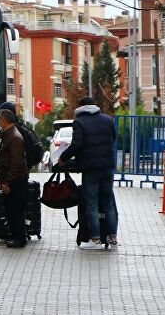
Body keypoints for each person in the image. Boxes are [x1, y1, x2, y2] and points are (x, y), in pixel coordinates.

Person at [57, 96, 119, 250]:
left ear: (80, 108)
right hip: (107, 167)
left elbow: (76, 145)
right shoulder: (108, 120)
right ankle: (112, 236)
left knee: (91, 203)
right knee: (108, 202)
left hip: (90, 169)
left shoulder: (79, 122)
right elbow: (113, 139)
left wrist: (63, 157)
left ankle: (96, 238)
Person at [0, 108, 29, 248]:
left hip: (16, 180)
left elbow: (15, 163)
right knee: (10, 209)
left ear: (5, 121)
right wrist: (1, 179)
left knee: (16, 209)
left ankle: (19, 237)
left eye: (0, 120)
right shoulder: (6, 135)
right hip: (9, 179)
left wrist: (7, 181)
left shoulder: (15, 137)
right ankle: (14, 234)